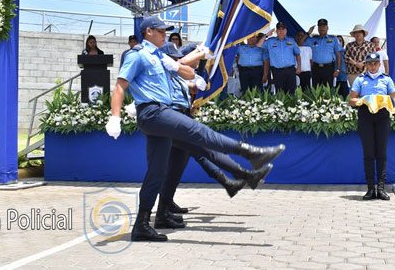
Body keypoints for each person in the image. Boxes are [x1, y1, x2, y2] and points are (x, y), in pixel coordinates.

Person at [105, 15, 286, 242]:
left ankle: (141, 225)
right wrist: (115, 116)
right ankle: (251, 154)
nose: (165, 35)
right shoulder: (137, 55)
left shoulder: (159, 56)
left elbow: (187, 72)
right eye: (161, 31)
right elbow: (120, 85)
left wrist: (189, 63)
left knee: (157, 171)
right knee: (201, 134)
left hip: (161, 114)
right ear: (148, 31)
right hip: (154, 112)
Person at [155, 43, 274, 225]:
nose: (176, 60)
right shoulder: (166, 72)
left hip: (180, 117)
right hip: (172, 120)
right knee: (204, 149)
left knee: (176, 167)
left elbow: (190, 87)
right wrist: (200, 56)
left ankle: (163, 210)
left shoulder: (177, 74)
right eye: (173, 58)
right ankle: (242, 175)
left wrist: (198, 79)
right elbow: (181, 74)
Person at [349, 52, 395, 201]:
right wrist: (364, 99)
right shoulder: (360, 79)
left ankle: (381, 189)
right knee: (368, 153)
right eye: (370, 63)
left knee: (381, 152)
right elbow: (351, 100)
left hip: (382, 116)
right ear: (366, 64)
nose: (373, 66)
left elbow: (394, 98)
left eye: (375, 63)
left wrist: (385, 99)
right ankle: (370, 189)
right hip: (366, 116)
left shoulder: (387, 79)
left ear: (379, 64)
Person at [262, 22, 301, 94]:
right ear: (276, 31)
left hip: (290, 71)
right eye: (279, 29)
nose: (281, 31)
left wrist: (299, 67)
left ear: (286, 30)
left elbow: (297, 54)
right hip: (277, 72)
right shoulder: (270, 42)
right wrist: (266, 35)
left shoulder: (291, 41)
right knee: (280, 93)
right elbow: (258, 45)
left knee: (291, 93)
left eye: (283, 29)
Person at [304, 19, 341, 88]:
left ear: (327, 28)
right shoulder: (313, 39)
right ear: (318, 28)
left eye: (324, 26)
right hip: (315, 68)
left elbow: (338, 54)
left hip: (329, 68)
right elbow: (301, 42)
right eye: (320, 26)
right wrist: (308, 33)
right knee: (316, 89)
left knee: (328, 90)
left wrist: (338, 69)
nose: (322, 28)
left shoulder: (334, 39)